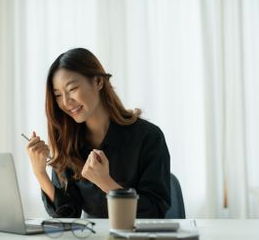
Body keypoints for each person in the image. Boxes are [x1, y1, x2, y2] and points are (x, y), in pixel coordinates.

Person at [25, 48, 171, 219]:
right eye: (58, 95)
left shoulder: (148, 136)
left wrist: (106, 183)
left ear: (98, 82)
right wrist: (40, 173)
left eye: (72, 89)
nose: (65, 102)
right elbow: (68, 214)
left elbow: (154, 210)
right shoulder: (68, 143)